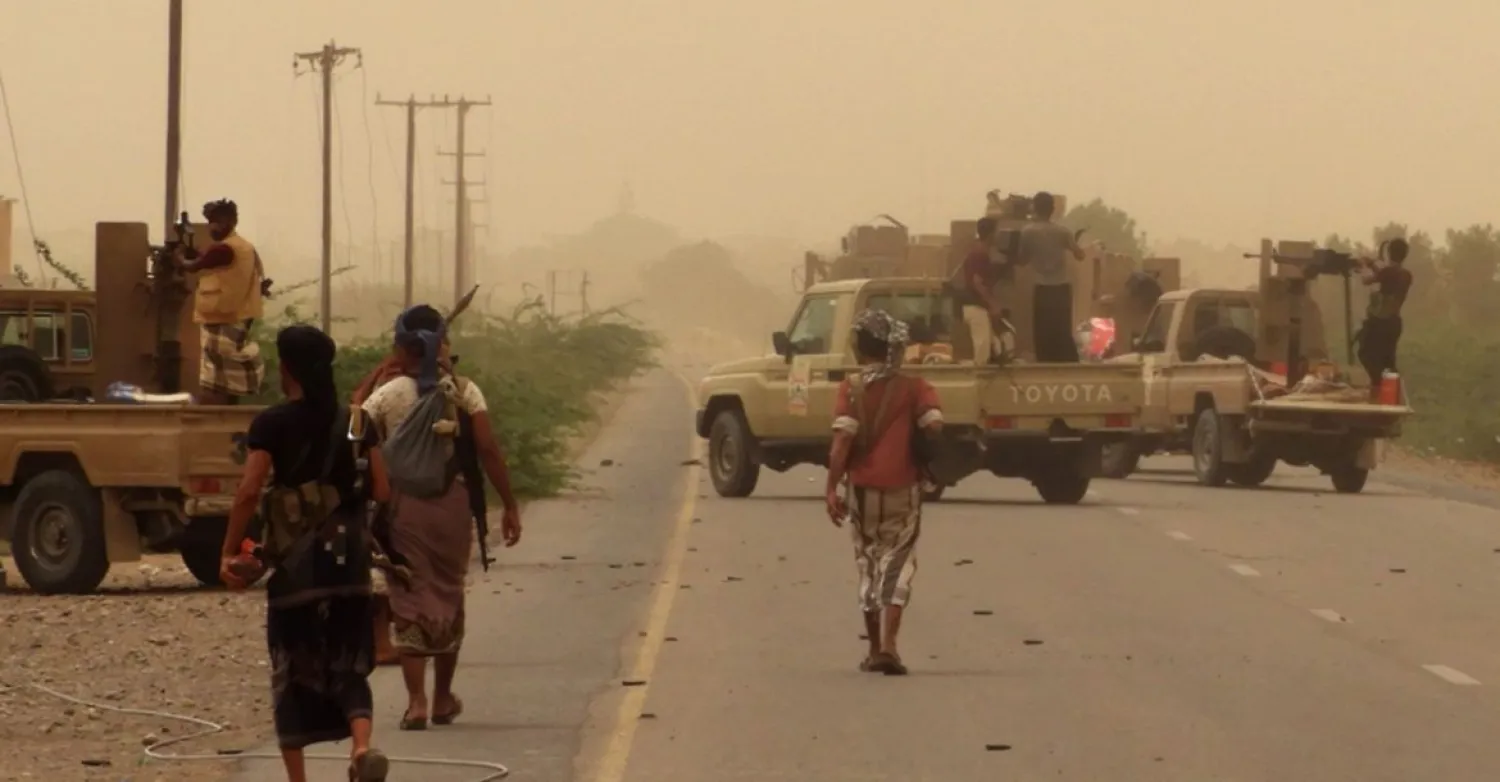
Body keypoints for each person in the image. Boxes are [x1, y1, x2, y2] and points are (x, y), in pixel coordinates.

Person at [218, 324, 390, 782]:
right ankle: (361, 748)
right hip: (350, 566)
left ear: (288, 368)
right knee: (349, 668)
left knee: (291, 673)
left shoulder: (271, 423)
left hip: (297, 572)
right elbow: (382, 489)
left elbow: (248, 491)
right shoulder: (358, 422)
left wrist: (229, 550)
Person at [360, 304, 522, 729]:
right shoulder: (464, 391)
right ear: (441, 346)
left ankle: (415, 702)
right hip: (453, 505)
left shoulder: (388, 395)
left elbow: (352, 433)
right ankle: (443, 698)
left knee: (408, 594)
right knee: (448, 593)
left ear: (401, 348)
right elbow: (488, 451)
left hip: (403, 509)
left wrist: (368, 387)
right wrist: (509, 504)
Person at [825, 310, 943, 676]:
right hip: (902, 490)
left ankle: (874, 649)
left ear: (860, 348)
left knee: (868, 563)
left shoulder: (851, 388)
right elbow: (934, 424)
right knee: (898, 563)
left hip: (862, 492)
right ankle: (891, 646)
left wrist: (831, 488)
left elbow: (841, 443)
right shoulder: (914, 387)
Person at [176, 198, 267, 404]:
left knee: (214, 382)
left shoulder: (225, 249)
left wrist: (179, 257)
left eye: (216, 222)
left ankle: (212, 417)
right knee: (229, 382)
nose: (212, 227)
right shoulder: (245, 247)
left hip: (221, 317)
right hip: (238, 317)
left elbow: (194, 266)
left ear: (229, 222)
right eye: (210, 222)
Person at [1018, 192, 1085, 362]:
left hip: (1042, 288)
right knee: (1062, 329)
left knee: (1042, 332)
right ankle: (1068, 363)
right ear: (1052, 210)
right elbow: (1080, 255)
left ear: (1035, 208)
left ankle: (1045, 364)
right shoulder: (1063, 231)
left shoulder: (1027, 232)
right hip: (1061, 288)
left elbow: (1022, 260)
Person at [1356, 238, 1413, 396]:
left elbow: (1367, 280)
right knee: (1388, 360)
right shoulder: (1406, 275)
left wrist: (1363, 265)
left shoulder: (1388, 272)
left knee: (1365, 353)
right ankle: (1392, 391)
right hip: (1394, 323)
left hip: (1380, 322)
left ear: (1389, 253)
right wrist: (1373, 264)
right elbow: (1383, 274)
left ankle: (1378, 385)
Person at [956, 217, 1005, 364]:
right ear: (991, 234)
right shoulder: (979, 254)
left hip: (977, 305)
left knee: (993, 345)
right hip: (976, 306)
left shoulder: (980, 252)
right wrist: (992, 304)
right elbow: (977, 282)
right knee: (982, 351)